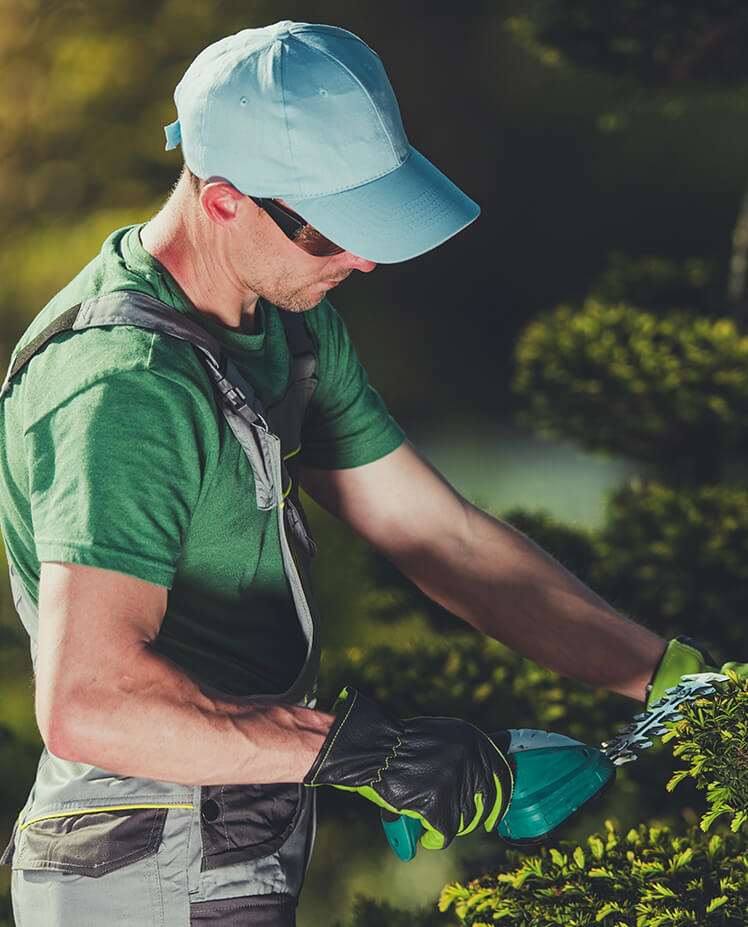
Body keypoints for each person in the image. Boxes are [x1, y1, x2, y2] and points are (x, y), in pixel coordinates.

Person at [0, 19, 744, 927]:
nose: (365, 257)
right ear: (225, 199)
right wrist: (374, 753)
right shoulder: (125, 387)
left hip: (230, 835)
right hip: (139, 865)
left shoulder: (288, 325)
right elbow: (90, 702)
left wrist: (672, 679)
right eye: (332, 231)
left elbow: (441, 537)